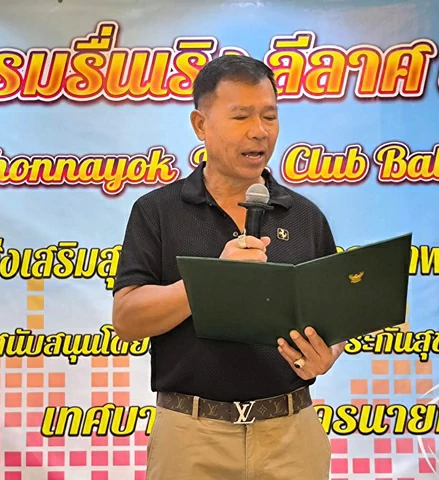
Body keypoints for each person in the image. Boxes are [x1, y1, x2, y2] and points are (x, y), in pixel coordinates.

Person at [112, 55, 345, 480]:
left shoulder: (305, 216)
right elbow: (127, 319)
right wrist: (212, 281)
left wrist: (324, 354)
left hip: (291, 435)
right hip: (191, 437)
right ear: (200, 125)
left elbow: (333, 320)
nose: (259, 130)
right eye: (241, 116)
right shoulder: (157, 211)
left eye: (269, 116)